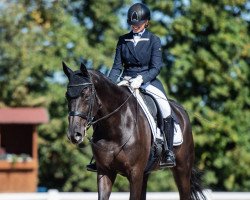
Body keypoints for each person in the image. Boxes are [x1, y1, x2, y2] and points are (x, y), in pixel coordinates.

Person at [87, 3, 177, 172]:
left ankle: (168, 150)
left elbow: (156, 67)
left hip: (148, 80)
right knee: (104, 106)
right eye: (132, 24)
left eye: (138, 24)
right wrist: (110, 85)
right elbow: (116, 67)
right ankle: (97, 154)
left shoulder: (153, 40)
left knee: (165, 107)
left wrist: (141, 79)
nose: (135, 27)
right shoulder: (123, 40)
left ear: (146, 22)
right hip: (126, 80)